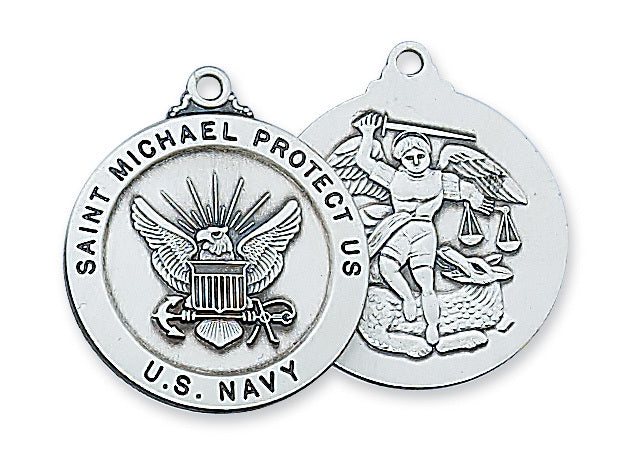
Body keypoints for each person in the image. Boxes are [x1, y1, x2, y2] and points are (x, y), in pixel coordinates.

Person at [353, 112, 487, 345]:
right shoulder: (394, 177)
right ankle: (407, 297)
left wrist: (475, 198)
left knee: (425, 282)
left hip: (424, 232)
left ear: (428, 155)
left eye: (420, 155)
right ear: (401, 159)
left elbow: (467, 190)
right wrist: (367, 133)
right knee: (387, 266)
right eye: (409, 157)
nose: (415, 161)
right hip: (400, 229)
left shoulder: (440, 179)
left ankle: (433, 326)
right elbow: (364, 162)